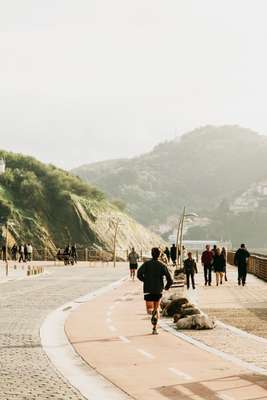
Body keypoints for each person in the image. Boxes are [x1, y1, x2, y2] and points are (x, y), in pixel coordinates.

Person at [137, 247, 173, 335]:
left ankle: (152, 314)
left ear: (151, 254)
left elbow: (139, 274)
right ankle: (155, 327)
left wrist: (145, 280)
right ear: (159, 255)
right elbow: (170, 279)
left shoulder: (146, 264)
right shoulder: (162, 265)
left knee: (149, 308)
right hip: (158, 289)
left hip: (148, 289)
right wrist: (166, 287)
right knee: (156, 308)